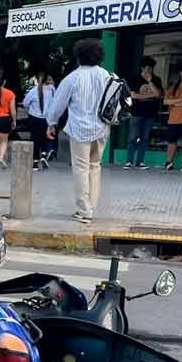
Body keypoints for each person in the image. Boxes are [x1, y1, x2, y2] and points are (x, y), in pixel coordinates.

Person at [45, 38, 112, 224]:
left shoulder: (73, 77)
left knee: (81, 168)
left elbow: (58, 103)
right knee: (95, 166)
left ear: (78, 57)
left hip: (79, 130)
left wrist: (51, 123)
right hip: (101, 129)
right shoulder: (106, 75)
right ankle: (91, 205)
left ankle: (84, 210)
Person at [124, 57, 162, 170]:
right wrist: (151, 95)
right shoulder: (135, 79)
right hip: (136, 113)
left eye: (151, 68)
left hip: (150, 113)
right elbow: (133, 95)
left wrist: (150, 81)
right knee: (132, 137)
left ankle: (140, 161)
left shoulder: (156, 80)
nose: (150, 70)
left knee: (145, 139)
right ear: (142, 68)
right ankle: (129, 161)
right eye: (148, 68)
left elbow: (158, 94)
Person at [23, 74, 55, 170]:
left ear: (36, 80)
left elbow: (25, 103)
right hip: (48, 118)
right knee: (45, 137)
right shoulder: (52, 90)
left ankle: (35, 163)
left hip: (34, 118)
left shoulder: (33, 91)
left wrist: (30, 109)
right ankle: (44, 155)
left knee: (35, 140)